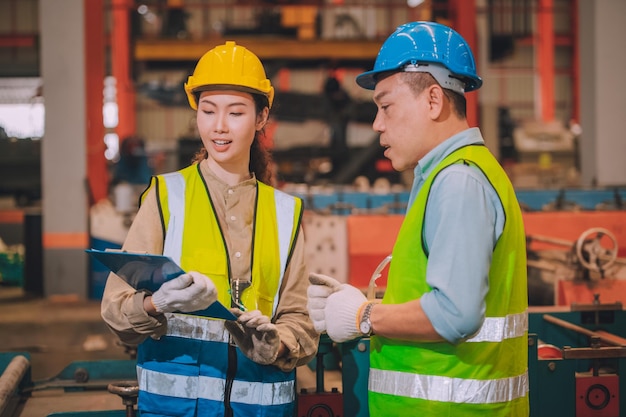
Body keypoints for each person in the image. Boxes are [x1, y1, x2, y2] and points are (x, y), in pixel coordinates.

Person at [307, 21, 529, 416]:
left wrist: (363, 316)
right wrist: (356, 298)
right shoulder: (450, 175)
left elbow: (454, 314)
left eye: (386, 106)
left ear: (432, 101)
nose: (377, 124)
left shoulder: (458, 180)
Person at [101, 41, 319, 416]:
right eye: (208, 111)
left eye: (236, 112)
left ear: (261, 117)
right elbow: (115, 311)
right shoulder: (165, 198)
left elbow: (301, 320)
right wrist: (157, 303)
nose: (219, 126)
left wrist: (278, 343)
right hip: (175, 409)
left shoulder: (286, 212)